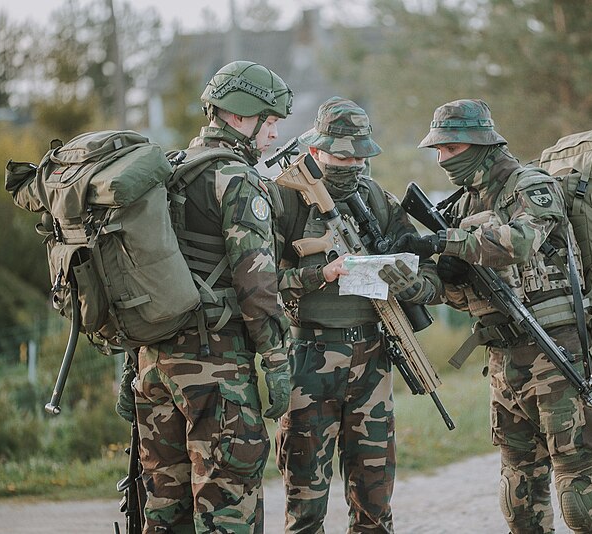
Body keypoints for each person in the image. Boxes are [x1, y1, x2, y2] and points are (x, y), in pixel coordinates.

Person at [394, 99, 592, 533]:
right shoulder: (465, 205)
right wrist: (415, 282)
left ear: (479, 144)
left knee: (581, 498)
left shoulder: (530, 186)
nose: (442, 159)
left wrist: (446, 240)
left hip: (555, 352)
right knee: (520, 502)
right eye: (438, 151)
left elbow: (519, 243)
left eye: (450, 148)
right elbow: (456, 290)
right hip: (503, 361)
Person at [132, 60, 293, 534]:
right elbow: (256, 284)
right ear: (242, 117)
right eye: (271, 119)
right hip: (215, 368)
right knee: (227, 506)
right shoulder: (237, 179)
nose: (275, 130)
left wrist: (132, 368)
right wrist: (277, 362)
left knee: (164, 509)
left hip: (153, 362)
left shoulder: (166, 171)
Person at [272, 96, 442, 533]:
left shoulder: (375, 199)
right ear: (315, 151)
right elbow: (260, 283)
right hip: (311, 358)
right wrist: (322, 273)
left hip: (370, 354)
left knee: (375, 498)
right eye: (342, 155)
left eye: (361, 156)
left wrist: (408, 279)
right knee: (305, 502)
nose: (353, 164)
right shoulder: (285, 200)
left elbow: (418, 259)